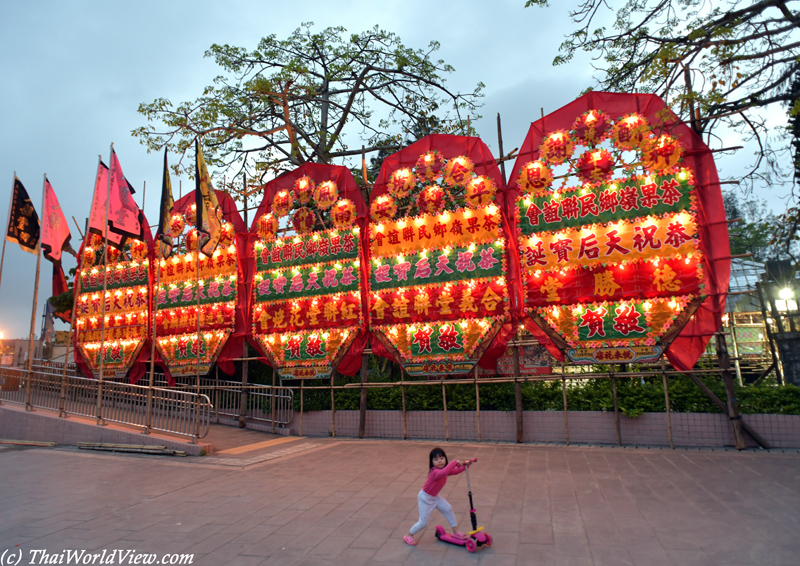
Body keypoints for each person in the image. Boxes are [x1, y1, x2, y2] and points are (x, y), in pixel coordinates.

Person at [403, 447, 471, 546]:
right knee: (423, 523)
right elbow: (443, 473)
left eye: (441, 458)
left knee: (448, 508)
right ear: (432, 462)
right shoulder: (435, 472)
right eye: (436, 459)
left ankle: (455, 531)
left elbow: (455, 471)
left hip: (435, 497)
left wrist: (466, 466)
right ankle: (408, 535)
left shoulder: (444, 469)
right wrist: (455, 461)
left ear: (445, 459)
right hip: (425, 498)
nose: (439, 461)